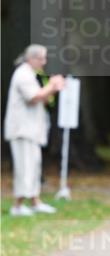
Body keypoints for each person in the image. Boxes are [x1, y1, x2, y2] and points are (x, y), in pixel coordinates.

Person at [4, 44, 65, 216]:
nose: (44, 62)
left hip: (31, 130)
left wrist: (51, 90)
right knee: (24, 167)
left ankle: (34, 202)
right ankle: (17, 206)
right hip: (22, 130)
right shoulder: (23, 74)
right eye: (42, 58)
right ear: (31, 58)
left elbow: (42, 98)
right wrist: (52, 85)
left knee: (33, 167)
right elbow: (33, 97)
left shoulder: (31, 74)